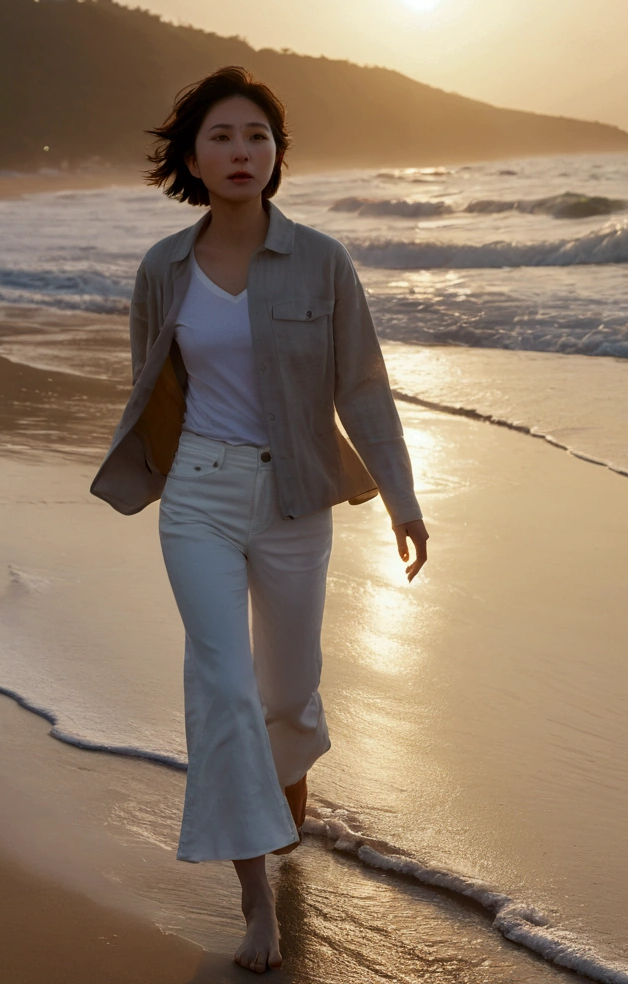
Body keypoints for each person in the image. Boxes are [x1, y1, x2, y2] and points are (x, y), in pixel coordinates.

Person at [91, 66, 428, 974]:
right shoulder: (163, 266)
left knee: (287, 690)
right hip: (198, 493)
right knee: (225, 689)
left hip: (295, 498)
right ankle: (255, 906)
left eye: (258, 137)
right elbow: (152, 385)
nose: (242, 152)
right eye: (223, 137)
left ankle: (287, 775)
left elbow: (360, 385)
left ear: (277, 155)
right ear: (192, 158)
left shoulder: (322, 260)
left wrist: (402, 497)